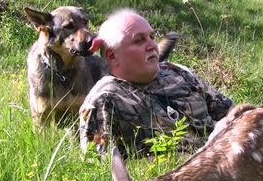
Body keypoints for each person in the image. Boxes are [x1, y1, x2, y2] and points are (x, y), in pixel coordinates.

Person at [79, 9, 234, 158]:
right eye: (139, 40)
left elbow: (232, 113)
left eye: (152, 37)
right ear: (112, 56)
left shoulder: (177, 72)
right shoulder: (104, 99)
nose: (152, 45)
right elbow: (101, 167)